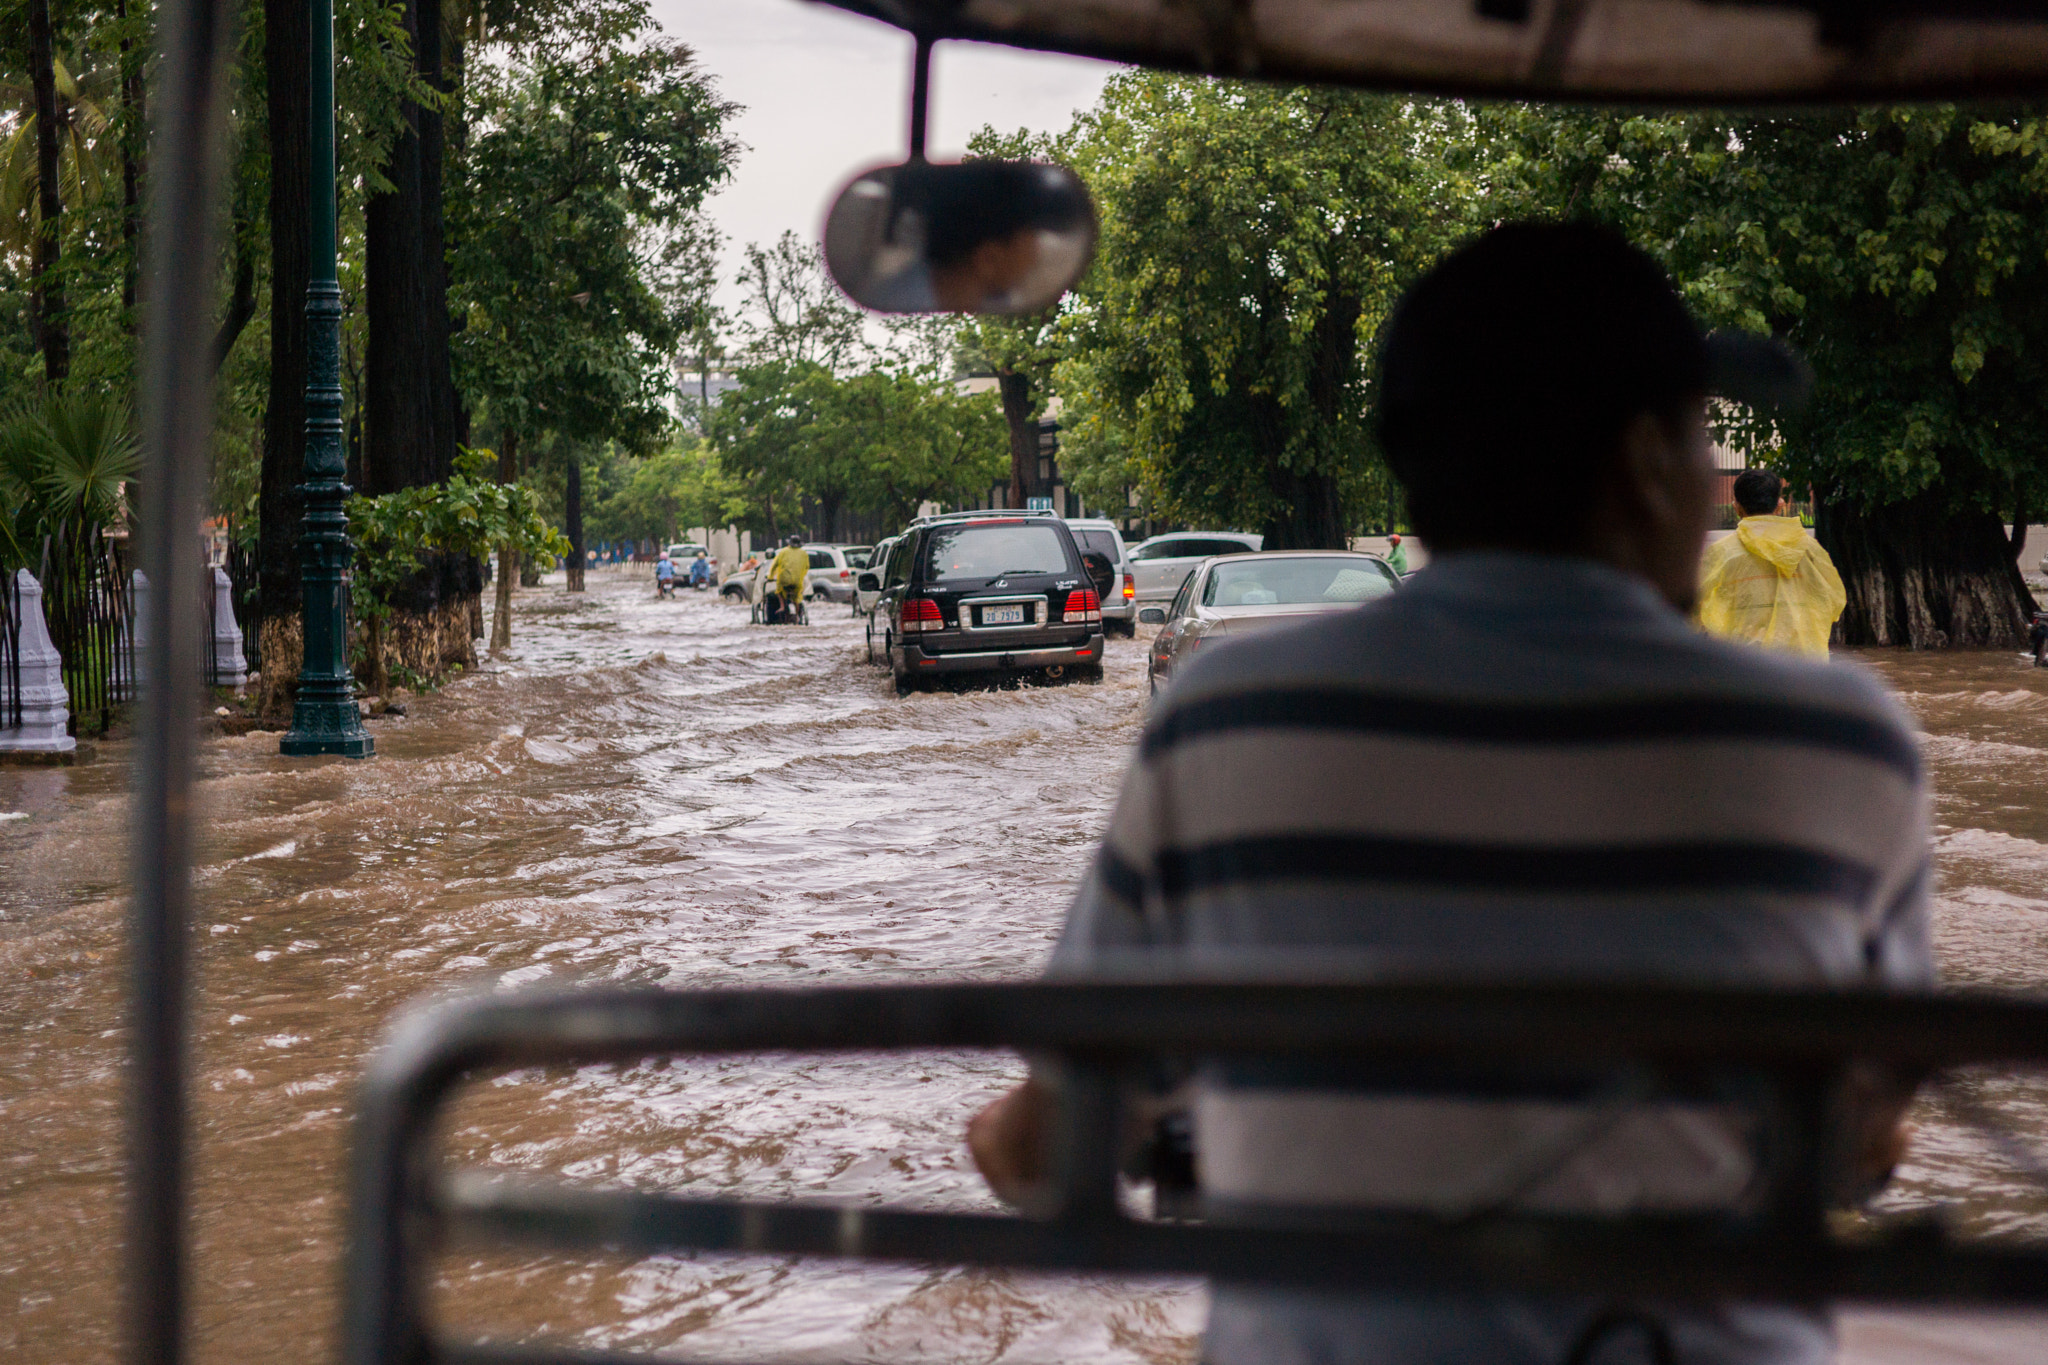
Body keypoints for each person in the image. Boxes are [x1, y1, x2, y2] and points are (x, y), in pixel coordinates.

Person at [966, 223, 1931, 1365]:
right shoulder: (1842, 738)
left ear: (1407, 463)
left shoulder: (1230, 715)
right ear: (1643, 461)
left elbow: (1051, 1156)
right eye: (1696, 434)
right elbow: (1859, 1137)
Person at [1698, 468, 1847, 658]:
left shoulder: (1720, 553)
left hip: (1744, 666)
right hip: (1803, 666)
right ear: (1780, 505)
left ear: (1737, 507)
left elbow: (1692, 607)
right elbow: (1833, 599)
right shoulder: (1809, 550)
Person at [765, 534, 810, 624]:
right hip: (797, 581)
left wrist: (770, 576)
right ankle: (797, 615)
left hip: (783, 581)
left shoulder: (783, 552)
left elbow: (774, 565)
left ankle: (782, 605)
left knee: (779, 592)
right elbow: (806, 567)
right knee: (797, 597)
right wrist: (801, 575)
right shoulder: (804, 553)